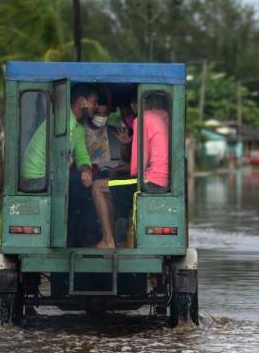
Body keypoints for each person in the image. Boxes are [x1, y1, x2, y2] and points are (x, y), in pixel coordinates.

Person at [91, 91, 170, 248]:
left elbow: (138, 165)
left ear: (135, 105)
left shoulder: (142, 119)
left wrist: (122, 171)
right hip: (163, 180)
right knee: (110, 190)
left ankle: (107, 240)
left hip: (149, 181)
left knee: (97, 187)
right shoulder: (165, 117)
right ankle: (112, 238)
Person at [21, 84, 96, 190]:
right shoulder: (64, 118)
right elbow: (63, 154)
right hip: (35, 178)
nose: (96, 106)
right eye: (93, 102)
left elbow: (82, 156)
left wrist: (87, 172)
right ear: (81, 101)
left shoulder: (78, 128)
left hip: (48, 176)